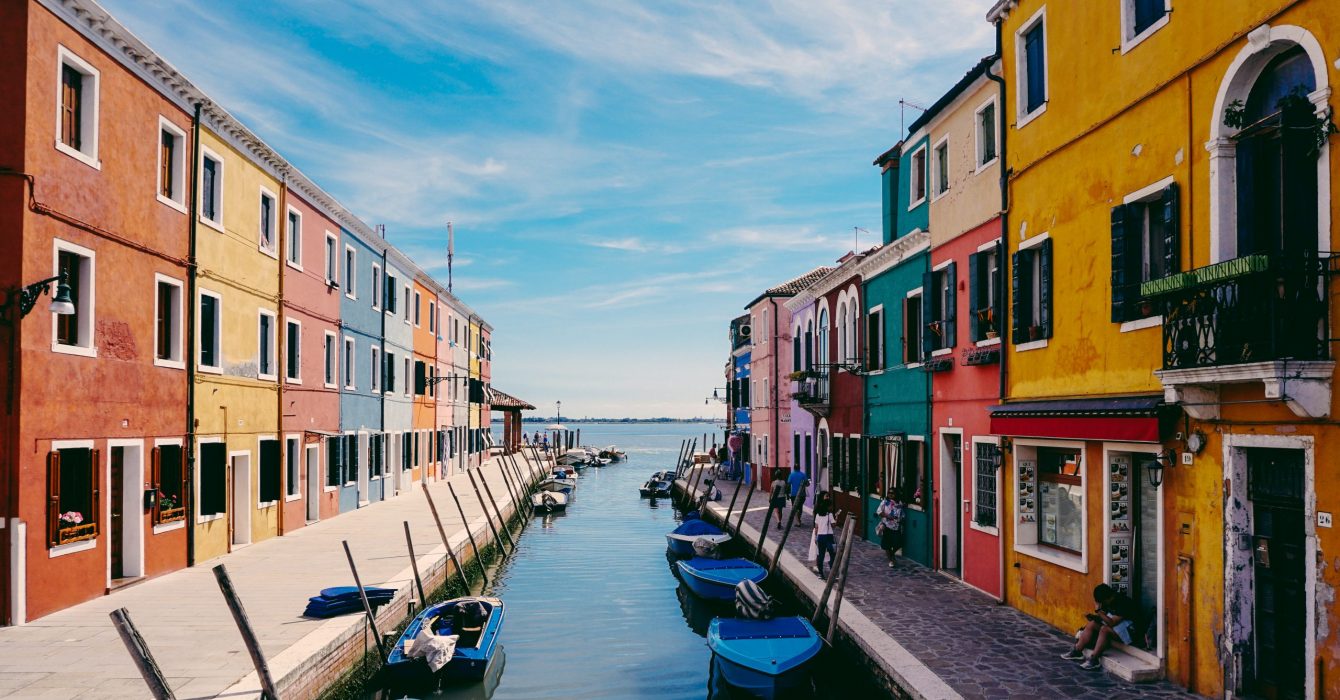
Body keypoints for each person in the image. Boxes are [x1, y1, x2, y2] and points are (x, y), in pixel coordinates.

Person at [1062, 583, 1140, 670]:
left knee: (1104, 630)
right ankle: (1077, 651)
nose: (1102, 604)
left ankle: (1094, 659)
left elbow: (1111, 623)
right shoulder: (1107, 601)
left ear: (1108, 598)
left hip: (1132, 632)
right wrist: (1095, 617)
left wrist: (1098, 611)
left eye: (1102, 602)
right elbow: (1106, 618)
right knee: (1092, 624)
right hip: (1118, 627)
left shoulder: (1123, 603)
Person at [875, 489, 905, 567]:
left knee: (898, 543)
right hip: (886, 525)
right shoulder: (885, 502)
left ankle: (892, 554)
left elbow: (902, 514)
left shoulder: (899, 503)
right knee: (887, 544)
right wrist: (887, 516)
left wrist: (900, 520)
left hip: (896, 526)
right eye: (889, 493)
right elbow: (879, 512)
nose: (890, 494)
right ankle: (891, 561)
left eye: (892, 493)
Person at [812, 500, 836, 578]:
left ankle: (821, 573)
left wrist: (815, 537)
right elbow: (833, 525)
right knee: (832, 554)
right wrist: (837, 518)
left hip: (820, 537)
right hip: (828, 536)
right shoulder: (830, 515)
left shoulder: (818, 515)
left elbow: (816, 527)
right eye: (830, 506)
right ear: (827, 507)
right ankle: (832, 572)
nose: (831, 507)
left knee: (821, 555)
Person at [764, 468, 788, 533]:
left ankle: (778, 521)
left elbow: (771, 492)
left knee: (776, 511)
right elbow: (786, 490)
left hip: (776, 498)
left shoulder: (773, 483)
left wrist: (769, 498)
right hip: (782, 498)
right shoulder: (783, 482)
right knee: (780, 511)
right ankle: (780, 522)